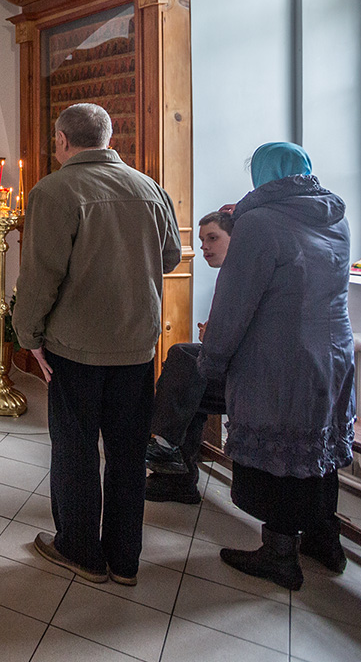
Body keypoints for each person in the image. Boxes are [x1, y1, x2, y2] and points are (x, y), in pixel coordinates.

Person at [12, 103, 180, 587]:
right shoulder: (148, 188)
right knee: (129, 454)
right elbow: (168, 256)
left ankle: (81, 550)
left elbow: (40, 276)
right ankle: (125, 559)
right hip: (136, 345)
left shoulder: (55, 190)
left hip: (77, 346)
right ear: (109, 138)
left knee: (76, 448)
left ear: (63, 140)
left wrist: (29, 338)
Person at [198, 142, 354, 590]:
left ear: (263, 176)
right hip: (333, 352)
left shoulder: (259, 223)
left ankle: (280, 554)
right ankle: (325, 539)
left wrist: (213, 359)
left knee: (282, 453)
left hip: (279, 357)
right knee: (316, 447)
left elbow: (234, 304)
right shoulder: (334, 216)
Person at [145, 209, 234, 505]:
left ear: (234, 239)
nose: (205, 246)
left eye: (213, 238)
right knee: (186, 381)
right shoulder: (232, 274)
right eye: (201, 240)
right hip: (230, 368)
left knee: (182, 359)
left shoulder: (243, 276)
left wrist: (214, 336)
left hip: (250, 379)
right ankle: (177, 476)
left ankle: (167, 450)